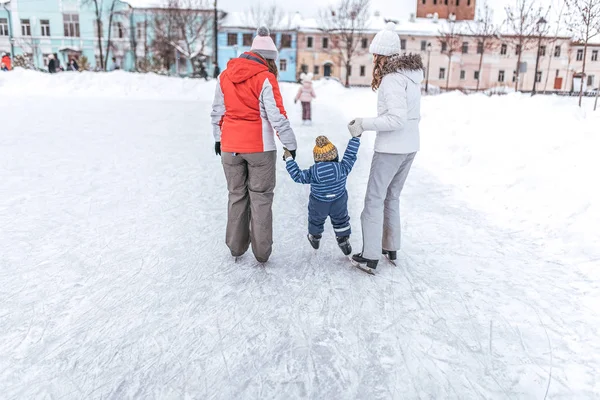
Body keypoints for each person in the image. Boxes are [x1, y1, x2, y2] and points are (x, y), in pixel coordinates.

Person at [211, 26, 298, 263]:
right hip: (260, 148)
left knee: (236, 195)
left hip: (230, 147)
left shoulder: (225, 75)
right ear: (270, 59)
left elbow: (218, 111)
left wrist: (218, 138)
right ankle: (262, 252)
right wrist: (290, 144)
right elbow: (277, 116)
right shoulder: (265, 78)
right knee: (260, 198)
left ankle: (236, 247)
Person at [347, 22, 424, 273]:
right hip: (410, 146)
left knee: (373, 200)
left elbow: (396, 119)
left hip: (391, 149)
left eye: (374, 55)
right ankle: (390, 245)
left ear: (380, 54)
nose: (373, 60)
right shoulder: (410, 77)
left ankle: (369, 256)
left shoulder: (392, 79)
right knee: (392, 197)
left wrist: (363, 124)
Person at [284, 135, 360, 256]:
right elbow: (350, 156)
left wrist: (289, 159)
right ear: (335, 155)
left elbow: (298, 176)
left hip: (318, 203)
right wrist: (355, 139)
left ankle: (314, 237)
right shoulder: (342, 168)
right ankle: (343, 240)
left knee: (315, 220)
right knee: (341, 220)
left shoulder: (313, 172)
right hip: (339, 201)